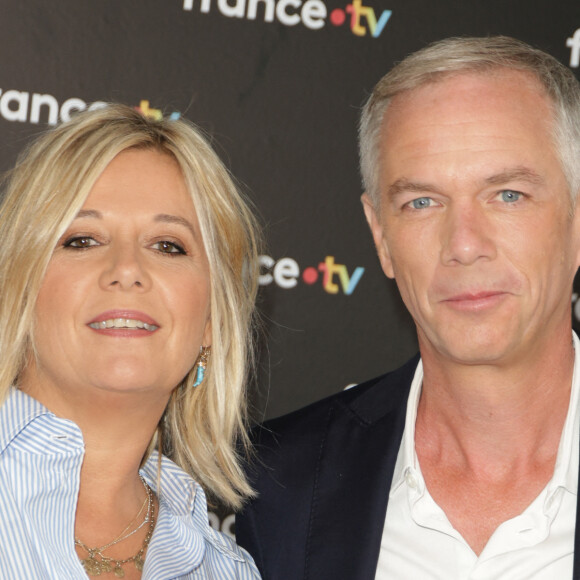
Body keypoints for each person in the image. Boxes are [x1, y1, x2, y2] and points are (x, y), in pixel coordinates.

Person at [236, 36, 580, 579]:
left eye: (507, 194)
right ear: (380, 236)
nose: (464, 244)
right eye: (421, 202)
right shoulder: (276, 484)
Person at [0, 103, 261, 578]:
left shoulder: (225, 569)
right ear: (19, 286)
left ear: (211, 322)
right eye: (82, 240)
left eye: (168, 245)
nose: (127, 270)